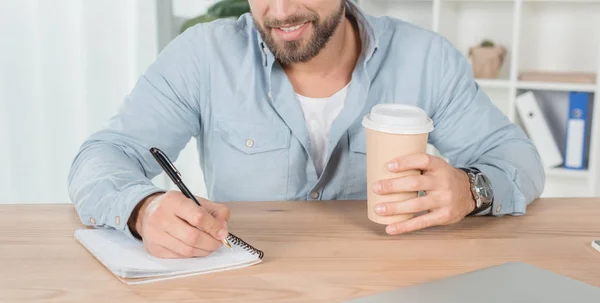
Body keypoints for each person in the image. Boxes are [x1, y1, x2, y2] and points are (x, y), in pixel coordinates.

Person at [68, 0, 545, 259]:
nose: (279, 12)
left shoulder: (426, 59)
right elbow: (105, 155)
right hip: (246, 294)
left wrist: (472, 189)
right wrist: (143, 209)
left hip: (392, 288)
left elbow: (516, 157)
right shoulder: (203, 56)